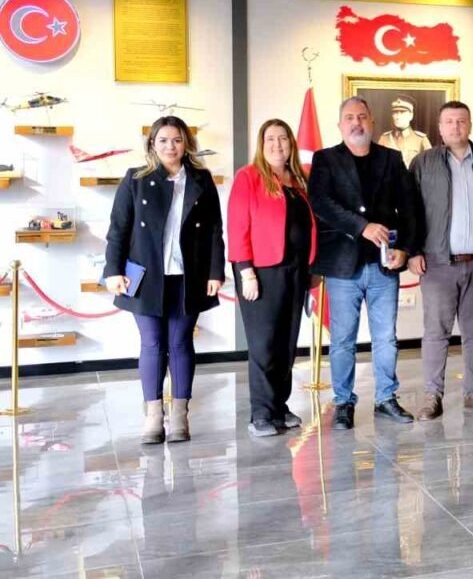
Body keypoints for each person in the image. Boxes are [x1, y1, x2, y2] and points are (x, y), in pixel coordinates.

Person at [104, 116, 225, 445]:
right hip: (145, 277)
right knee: (152, 343)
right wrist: (113, 270)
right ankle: (153, 416)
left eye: (177, 140)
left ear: (186, 144)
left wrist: (215, 271)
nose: (170, 146)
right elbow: (118, 229)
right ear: (152, 144)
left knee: (181, 343)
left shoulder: (200, 179)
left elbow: (214, 229)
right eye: (163, 140)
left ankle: (180, 415)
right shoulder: (136, 179)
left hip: (188, 275)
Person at [309, 96, 418, 430]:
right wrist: (362, 227)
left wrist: (406, 248)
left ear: (372, 122)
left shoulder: (391, 159)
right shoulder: (325, 159)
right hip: (343, 267)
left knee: (386, 338)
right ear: (340, 125)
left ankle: (386, 398)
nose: (356, 123)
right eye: (349, 117)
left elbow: (409, 207)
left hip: (384, 265)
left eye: (361, 116)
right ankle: (343, 402)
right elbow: (321, 203)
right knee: (343, 340)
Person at [407, 101, 473, 420]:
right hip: (437, 263)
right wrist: (413, 251)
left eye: (461, 120)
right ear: (439, 128)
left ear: (470, 125)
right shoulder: (423, 163)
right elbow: (410, 211)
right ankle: (432, 396)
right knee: (436, 331)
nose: (455, 126)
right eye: (449, 121)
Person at [227, 119, 317, 437]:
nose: (277, 144)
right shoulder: (248, 176)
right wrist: (246, 271)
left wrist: (313, 269)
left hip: (297, 271)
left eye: (283, 138)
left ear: (291, 143)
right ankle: (262, 413)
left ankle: (279, 406)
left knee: (286, 343)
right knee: (264, 344)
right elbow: (237, 227)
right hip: (261, 272)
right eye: (270, 139)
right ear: (261, 144)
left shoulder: (299, 180)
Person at [378, 96, 432, 168]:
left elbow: (430, 166)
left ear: (411, 115)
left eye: (402, 112)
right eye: (395, 112)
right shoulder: (384, 139)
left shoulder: (421, 140)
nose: (397, 117)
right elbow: (377, 165)